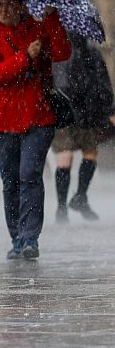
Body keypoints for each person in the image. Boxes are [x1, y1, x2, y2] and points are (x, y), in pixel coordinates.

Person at [0, 0, 71, 260]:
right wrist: (24, 57)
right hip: (3, 122)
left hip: (38, 118)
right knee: (11, 181)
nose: (4, 9)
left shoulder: (38, 31)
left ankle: (30, 237)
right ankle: (16, 237)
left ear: (22, 6)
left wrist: (52, 18)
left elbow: (63, 51)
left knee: (30, 174)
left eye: (10, 4)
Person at [52, 33, 115, 223]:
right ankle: (78, 197)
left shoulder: (55, 49)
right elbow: (102, 83)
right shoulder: (89, 50)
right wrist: (109, 109)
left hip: (63, 110)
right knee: (88, 152)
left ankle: (63, 207)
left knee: (66, 156)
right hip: (84, 111)